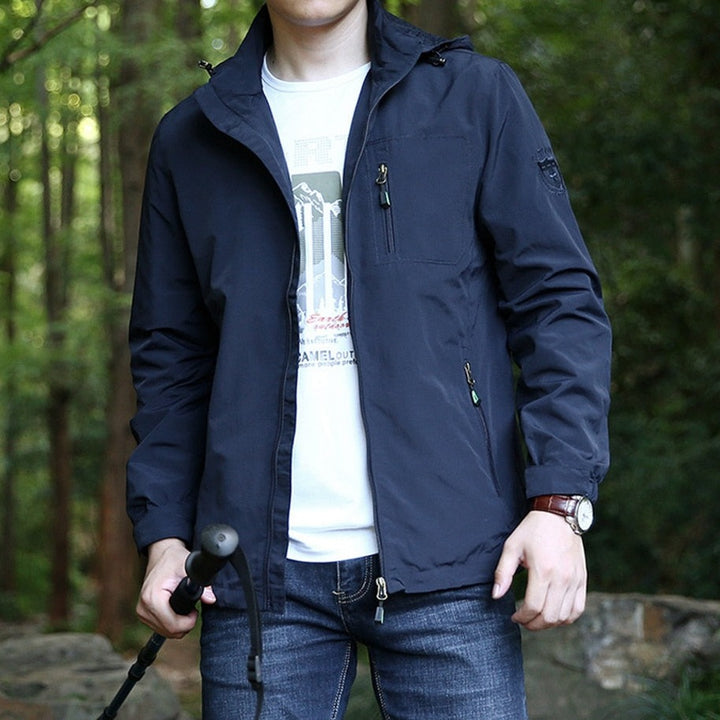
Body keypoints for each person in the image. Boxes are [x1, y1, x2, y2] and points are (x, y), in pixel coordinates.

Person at [127, 0, 611, 718]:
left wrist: (560, 503)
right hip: (258, 578)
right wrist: (164, 532)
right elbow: (172, 356)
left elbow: (559, 305)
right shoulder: (192, 136)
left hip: (456, 563)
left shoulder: (473, 96)